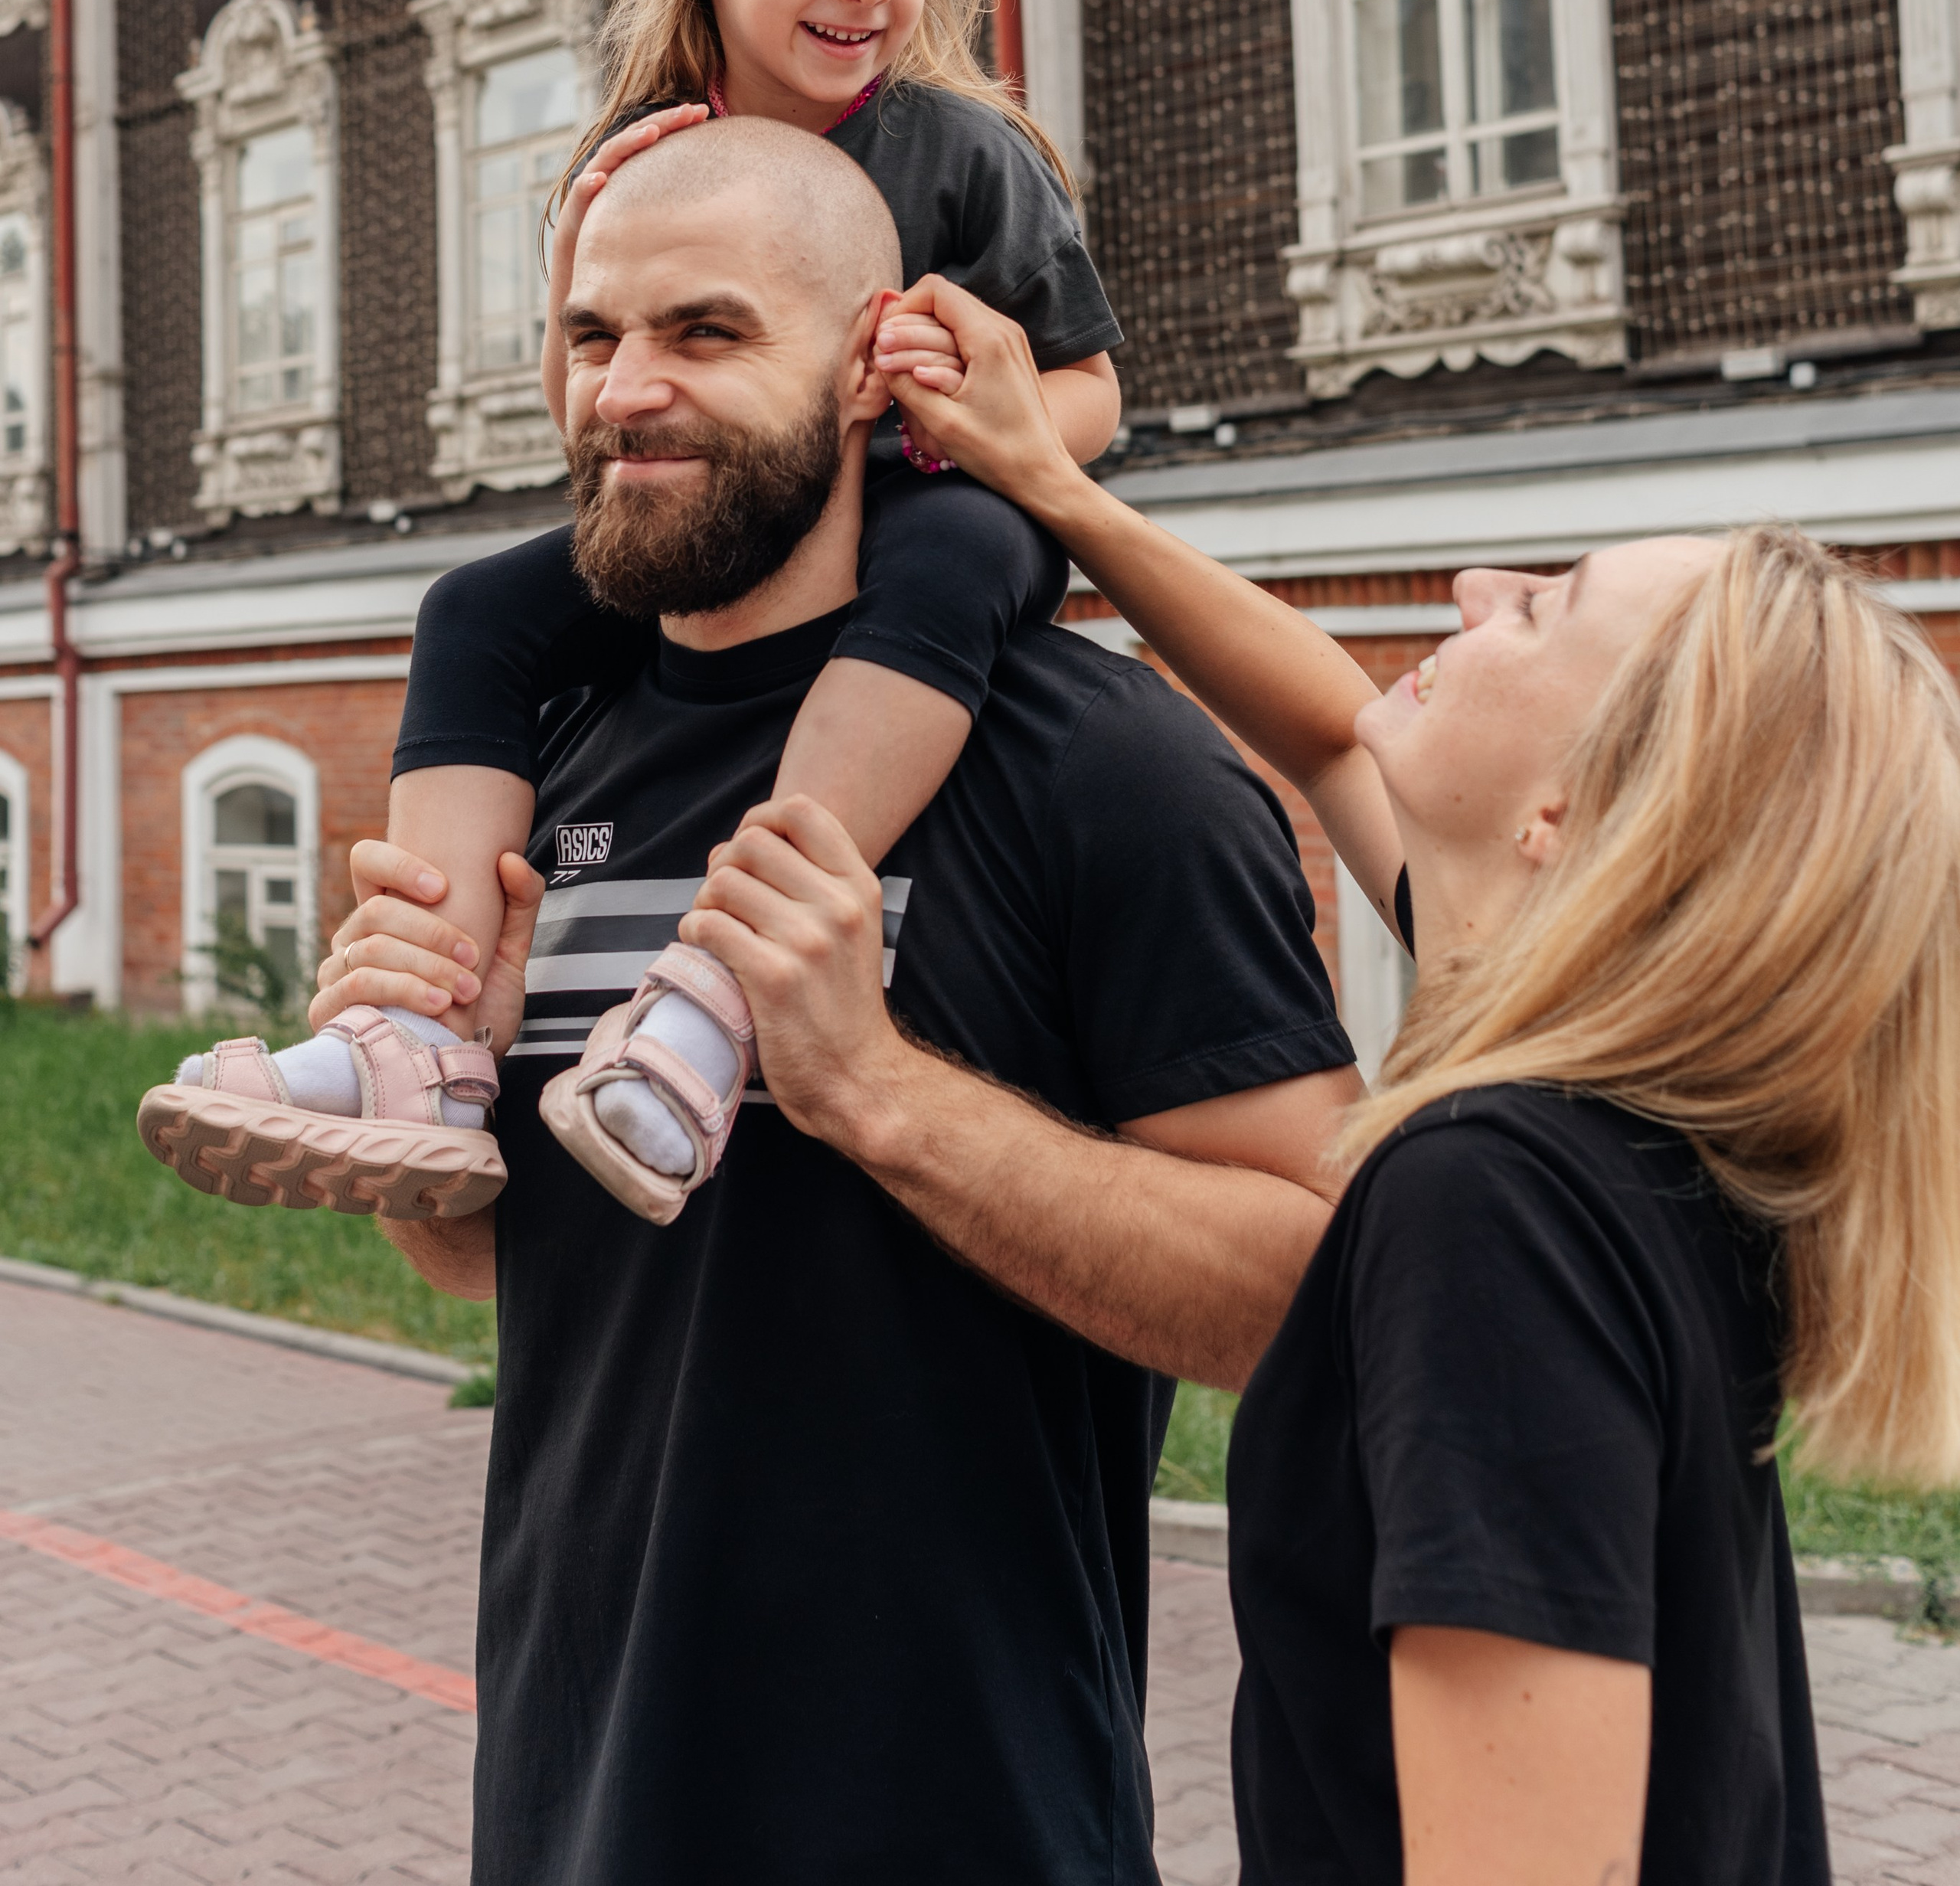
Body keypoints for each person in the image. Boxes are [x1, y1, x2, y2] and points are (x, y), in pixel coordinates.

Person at [304, 116, 1362, 1884]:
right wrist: (452, 1108)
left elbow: (1312, 1293)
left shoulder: (1107, 770)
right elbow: (520, 1267)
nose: (625, 390)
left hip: (961, 1819)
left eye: (706, 333)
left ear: (872, 367)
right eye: (590, 336)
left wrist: (875, 1088)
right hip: (572, 1804)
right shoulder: (541, 762)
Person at [867, 276, 1960, 1886]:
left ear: (1568, 817)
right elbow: (1326, 729)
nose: (1469, 585)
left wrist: (864, 1077)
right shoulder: (1633, 1127)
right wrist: (1053, 485)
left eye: (1540, 607)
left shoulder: (1490, 1199)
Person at [139, 0, 1122, 1220]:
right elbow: (591, 416)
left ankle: (718, 994)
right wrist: (590, 295)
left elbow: (1089, 395)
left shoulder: (958, 150)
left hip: (923, 507)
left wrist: (975, 420)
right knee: (475, 607)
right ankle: (423, 1032)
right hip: (720, 516)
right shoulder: (636, 151)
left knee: (953, 551)